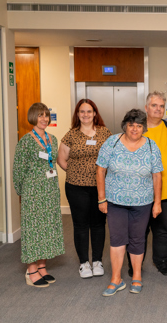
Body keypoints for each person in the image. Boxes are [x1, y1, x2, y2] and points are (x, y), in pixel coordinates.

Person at [96, 109, 163, 296]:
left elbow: (157, 176)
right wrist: (101, 198)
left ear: (144, 127)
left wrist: (157, 203)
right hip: (115, 201)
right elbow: (100, 171)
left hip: (142, 202)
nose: (135, 129)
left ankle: (137, 276)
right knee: (117, 239)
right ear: (125, 125)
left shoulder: (151, 145)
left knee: (137, 238)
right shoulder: (112, 142)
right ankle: (115, 279)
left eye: (139, 125)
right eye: (131, 125)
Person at [57, 99, 111, 279]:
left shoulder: (105, 133)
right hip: (76, 188)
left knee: (98, 224)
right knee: (80, 225)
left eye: (89, 111)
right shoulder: (71, 135)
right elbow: (61, 159)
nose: (86, 115)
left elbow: (112, 157)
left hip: (100, 187)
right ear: (77, 114)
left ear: (95, 113)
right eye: (82, 112)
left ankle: (97, 261)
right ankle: (83, 263)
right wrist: (75, 173)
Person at [13, 102, 65, 288]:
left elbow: (52, 162)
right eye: (40, 115)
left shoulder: (53, 138)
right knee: (33, 230)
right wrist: (24, 192)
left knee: (47, 228)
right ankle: (31, 270)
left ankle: (42, 266)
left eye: (46, 115)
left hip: (50, 190)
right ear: (33, 117)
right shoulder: (25, 141)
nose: (44, 119)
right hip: (32, 192)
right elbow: (18, 170)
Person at [129, 91, 167, 276]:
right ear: (146, 108)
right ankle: (135, 264)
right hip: (140, 193)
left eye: (161, 106)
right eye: (154, 105)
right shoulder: (137, 128)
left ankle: (162, 260)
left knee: (165, 231)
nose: (158, 109)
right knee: (138, 231)